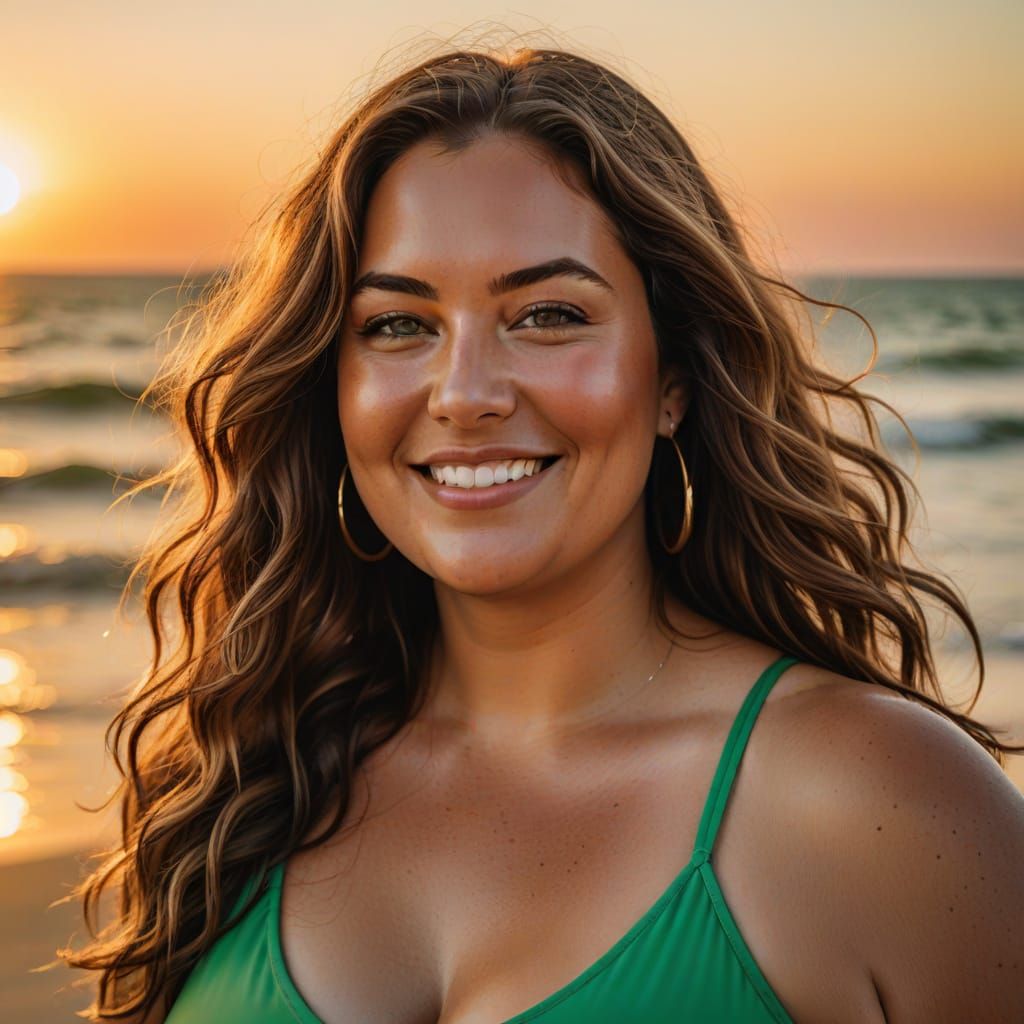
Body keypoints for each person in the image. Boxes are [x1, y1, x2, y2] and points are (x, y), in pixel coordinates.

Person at [61, 39, 1024, 1023]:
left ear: (675, 379)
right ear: (332, 385)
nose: (465, 392)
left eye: (549, 314)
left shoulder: (877, 804)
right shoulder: (251, 779)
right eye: (398, 324)